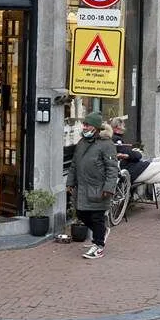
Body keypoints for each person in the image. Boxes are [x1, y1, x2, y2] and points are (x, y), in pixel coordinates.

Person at [106, 118, 160, 220]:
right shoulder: (116, 139)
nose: (124, 129)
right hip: (132, 172)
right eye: (122, 127)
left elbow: (127, 153)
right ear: (117, 128)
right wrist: (137, 153)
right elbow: (134, 156)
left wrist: (131, 153)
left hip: (133, 170)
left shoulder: (113, 139)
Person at [66, 111, 120, 259]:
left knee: (96, 217)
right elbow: (74, 164)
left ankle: (99, 246)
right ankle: (101, 231)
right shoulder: (82, 143)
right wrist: (70, 181)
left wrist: (109, 188)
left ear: (95, 127)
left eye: (87, 125)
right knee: (82, 213)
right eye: (84, 124)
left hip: (99, 188)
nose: (84, 127)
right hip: (83, 187)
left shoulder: (106, 144)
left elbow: (112, 168)